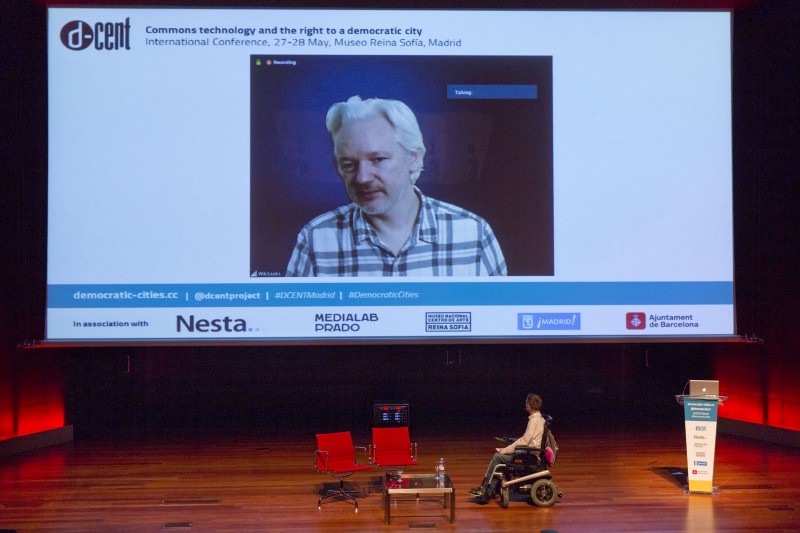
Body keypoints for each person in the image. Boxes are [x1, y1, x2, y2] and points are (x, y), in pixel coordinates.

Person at [285, 96, 507, 277]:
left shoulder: (473, 234)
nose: (362, 178)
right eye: (349, 164)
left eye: (378, 159)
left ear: (414, 159)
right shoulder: (315, 239)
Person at [469, 393, 544, 500]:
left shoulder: (534, 421)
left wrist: (505, 450)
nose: (525, 405)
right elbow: (526, 440)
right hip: (530, 452)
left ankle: (485, 489)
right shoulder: (539, 418)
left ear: (528, 406)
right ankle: (490, 490)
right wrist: (511, 443)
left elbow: (524, 441)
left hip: (530, 455)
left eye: (526, 403)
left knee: (497, 457)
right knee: (500, 457)